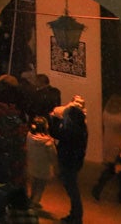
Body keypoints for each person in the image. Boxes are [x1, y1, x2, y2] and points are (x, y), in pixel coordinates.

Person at [52, 96, 89, 224]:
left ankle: (76, 216)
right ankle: (75, 215)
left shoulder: (71, 130)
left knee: (72, 189)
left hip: (68, 161)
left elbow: (57, 134)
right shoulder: (81, 128)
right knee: (72, 188)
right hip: (75, 161)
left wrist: (55, 120)